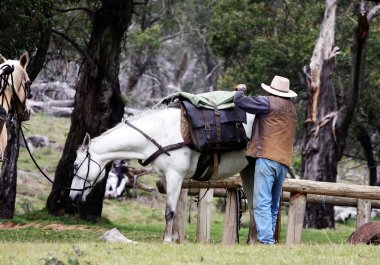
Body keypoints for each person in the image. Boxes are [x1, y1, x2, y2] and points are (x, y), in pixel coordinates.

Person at [234, 75, 297, 244]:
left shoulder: (268, 102)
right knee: (273, 205)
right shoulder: (292, 109)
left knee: (261, 202)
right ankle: (269, 240)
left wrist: (241, 89)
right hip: (283, 163)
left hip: (266, 159)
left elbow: (240, 102)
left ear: (272, 91)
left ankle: (266, 242)